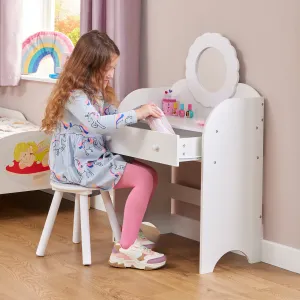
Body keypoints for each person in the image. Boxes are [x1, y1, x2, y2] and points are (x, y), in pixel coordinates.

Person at [41, 30, 166, 270]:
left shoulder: (93, 92)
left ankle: (128, 236)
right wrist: (135, 114)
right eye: (106, 69)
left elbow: (107, 114)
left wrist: (138, 112)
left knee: (149, 174)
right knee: (143, 177)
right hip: (76, 167)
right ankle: (125, 249)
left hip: (88, 160)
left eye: (113, 68)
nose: (110, 75)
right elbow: (95, 124)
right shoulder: (74, 95)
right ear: (88, 67)